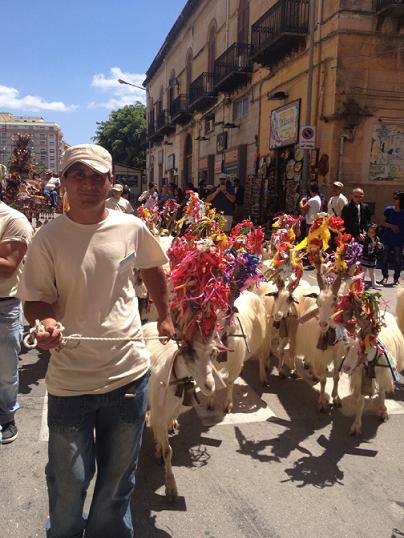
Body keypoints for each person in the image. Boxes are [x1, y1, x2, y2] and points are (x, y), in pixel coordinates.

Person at [18, 144, 174, 537]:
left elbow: (153, 267)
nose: (88, 184)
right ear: (65, 182)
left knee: (118, 486)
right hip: (71, 382)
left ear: (111, 182)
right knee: (69, 486)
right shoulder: (47, 237)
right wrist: (48, 323)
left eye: (96, 176)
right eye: (78, 175)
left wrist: (166, 316)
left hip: (128, 377)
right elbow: (35, 298)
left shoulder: (131, 227)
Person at [0, 200, 33, 443]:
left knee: (5, 371)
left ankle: (6, 417)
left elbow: (8, 267)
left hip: (4, 306)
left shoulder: (14, 220)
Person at [378, 192, 404, 286]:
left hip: (399, 239)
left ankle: (396, 278)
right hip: (387, 237)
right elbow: (381, 222)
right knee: (384, 258)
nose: (394, 200)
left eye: (396, 198)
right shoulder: (388, 210)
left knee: (398, 260)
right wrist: (392, 226)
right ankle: (385, 276)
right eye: (394, 198)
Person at [359, 223, 383, 289]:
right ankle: (361, 283)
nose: (370, 233)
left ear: (376, 232)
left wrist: (380, 246)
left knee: (372, 272)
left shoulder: (376, 238)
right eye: (369, 232)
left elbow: (379, 247)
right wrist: (370, 244)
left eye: (372, 232)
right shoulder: (366, 238)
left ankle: (373, 283)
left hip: (372, 257)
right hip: (365, 257)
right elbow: (364, 245)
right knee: (363, 271)